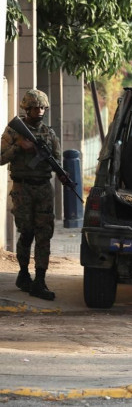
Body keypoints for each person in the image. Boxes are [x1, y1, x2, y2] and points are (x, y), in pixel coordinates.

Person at [0, 89, 61, 300]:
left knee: (44, 235)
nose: (40, 111)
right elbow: (0, 158)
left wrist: (61, 173)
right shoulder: (13, 132)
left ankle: (40, 280)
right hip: (22, 188)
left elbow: (58, 161)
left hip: (43, 188)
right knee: (26, 233)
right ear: (26, 109)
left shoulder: (49, 134)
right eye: (36, 107)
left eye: (43, 107)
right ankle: (24, 273)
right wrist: (18, 147)